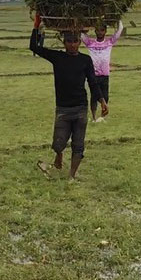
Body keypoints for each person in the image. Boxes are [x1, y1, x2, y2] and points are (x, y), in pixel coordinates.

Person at [30, 14, 108, 180]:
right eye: (69, 41)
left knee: (78, 145)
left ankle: (72, 176)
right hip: (63, 109)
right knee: (58, 143)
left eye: (75, 41)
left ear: (79, 42)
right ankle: (59, 155)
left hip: (80, 108)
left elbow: (93, 83)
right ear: (64, 42)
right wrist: (37, 26)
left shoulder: (85, 60)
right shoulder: (58, 57)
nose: (72, 44)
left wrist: (102, 101)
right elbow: (35, 48)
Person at [80, 20, 123, 121]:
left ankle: (102, 116)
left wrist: (118, 19)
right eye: (98, 30)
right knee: (94, 97)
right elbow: (80, 34)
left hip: (105, 74)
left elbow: (119, 30)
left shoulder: (109, 42)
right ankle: (94, 117)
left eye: (102, 30)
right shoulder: (90, 42)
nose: (100, 32)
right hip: (93, 75)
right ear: (95, 31)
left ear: (105, 31)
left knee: (105, 96)